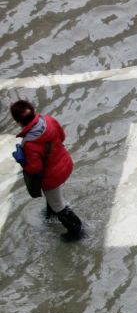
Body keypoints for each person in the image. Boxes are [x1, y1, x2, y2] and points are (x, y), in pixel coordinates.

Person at [10, 100, 83, 241]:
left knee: (58, 205)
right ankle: (51, 214)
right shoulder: (48, 120)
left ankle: (76, 230)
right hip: (65, 164)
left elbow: (34, 169)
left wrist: (22, 161)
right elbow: (62, 136)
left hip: (51, 177)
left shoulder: (30, 143)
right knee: (53, 198)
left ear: (18, 122)